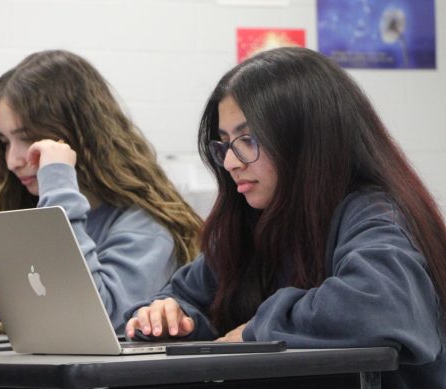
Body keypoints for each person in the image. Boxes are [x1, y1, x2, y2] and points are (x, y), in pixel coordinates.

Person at [125, 47, 446, 387]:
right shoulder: (254, 223)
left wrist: (255, 330)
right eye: (224, 143)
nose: (231, 162)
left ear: (306, 140)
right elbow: (185, 296)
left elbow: (380, 304)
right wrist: (168, 316)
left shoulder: (375, 213)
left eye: (247, 139)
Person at [0, 50, 202, 333]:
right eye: (5, 141)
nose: (13, 160)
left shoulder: (147, 225)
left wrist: (58, 181)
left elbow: (96, 319)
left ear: (79, 133)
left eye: (28, 138)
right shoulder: (24, 203)